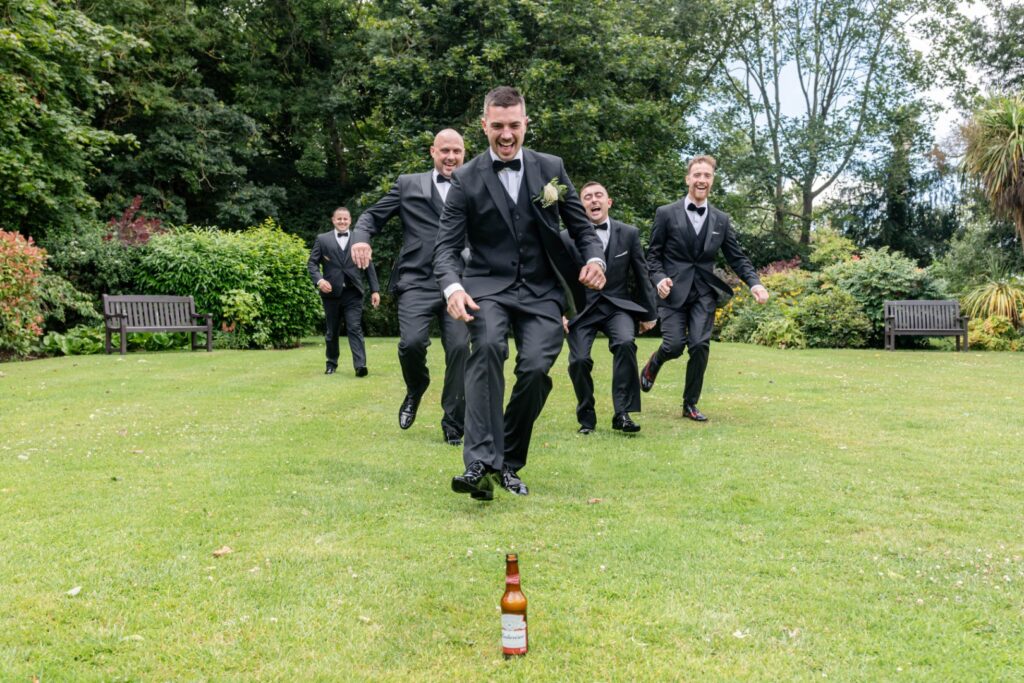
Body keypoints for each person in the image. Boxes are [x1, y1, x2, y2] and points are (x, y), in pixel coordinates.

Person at [434, 85, 606, 500]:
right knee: (488, 347)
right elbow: (446, 246)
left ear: (526, 123)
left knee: (533, 370)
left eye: (514, 125)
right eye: (497, 126)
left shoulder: (551, 168)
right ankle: (479, 463)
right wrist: (453, 287)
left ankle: (506, 460)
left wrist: (595, 260)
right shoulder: (466, 178)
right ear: (484, 126)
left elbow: (582, 228)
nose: (506, 135)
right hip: (487, 288)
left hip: (542, 291)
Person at [350, 130, 470, 445]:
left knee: (459, 348)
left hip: (459, 282)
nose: (451, 157)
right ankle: (416, 387)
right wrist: (361, 239)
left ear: (464, 153)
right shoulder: (408, 184)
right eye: (445, 150)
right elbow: (370, 218)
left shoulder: (475, 184)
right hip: (417, 280)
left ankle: (454, 422)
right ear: (433, 151)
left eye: (456, 151)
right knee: (412, 344)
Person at [642, 155, 770, 420]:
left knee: (700, 345)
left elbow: (736, 257)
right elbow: (653, 256)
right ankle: (654, 363)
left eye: (707, 176)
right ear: (688, 178)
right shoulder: (665, 213)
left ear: (713, 180)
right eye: (697, 175)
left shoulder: (721, 219)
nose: (702, 180)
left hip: (704, 293)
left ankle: (690, 404)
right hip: (673, 291)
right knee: (675, 345)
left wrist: (755, 284)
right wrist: (659, 279)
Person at [560, 181, 658, 435]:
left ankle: (622, 413)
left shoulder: (629, 233)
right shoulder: (565, 238)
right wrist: (559, 311)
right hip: (580, 309)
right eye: (588, 197)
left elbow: (642, 273)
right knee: (579, 360)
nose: (594, 200)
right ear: (581, 206)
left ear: (608, 202)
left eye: (598, 196)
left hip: (617, 306)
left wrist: (649, 313)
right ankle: (587, 418)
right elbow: (556, 279)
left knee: (626, 343)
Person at [307, 207, 380, 377]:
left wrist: (375, 290)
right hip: (331, 293)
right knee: (332, 331)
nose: (342, 222)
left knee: (354, 328)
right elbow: (312, 264)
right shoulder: (322, 239)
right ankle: (331, 363)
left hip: (353, 293)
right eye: (338, 219)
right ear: (333, 220)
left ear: (350, 220)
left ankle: (360, 366)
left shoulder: (360, 239)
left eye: (345, 219)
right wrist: (320, 280)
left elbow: (369, 265)